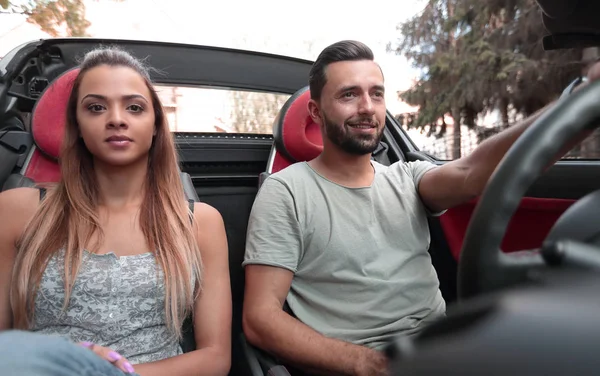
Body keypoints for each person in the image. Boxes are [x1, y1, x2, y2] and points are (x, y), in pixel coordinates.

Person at [241, 40, 598, 376]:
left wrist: (579, 103)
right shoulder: (285, 191)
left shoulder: (408, 177)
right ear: (316, 112)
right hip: (366, 363)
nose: (367, 107)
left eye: (376, 94)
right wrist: (374, 365)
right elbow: (260, 319)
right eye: (349, 94)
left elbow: (471, 170)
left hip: (447, 347)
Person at [0, 47, 232, 376]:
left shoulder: (200, 222)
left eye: (134, 107)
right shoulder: (17, 209)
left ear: (155, 124)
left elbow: (216, 357)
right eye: (96, 107)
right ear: (77, 125)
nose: (117, 119)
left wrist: (115, 373)